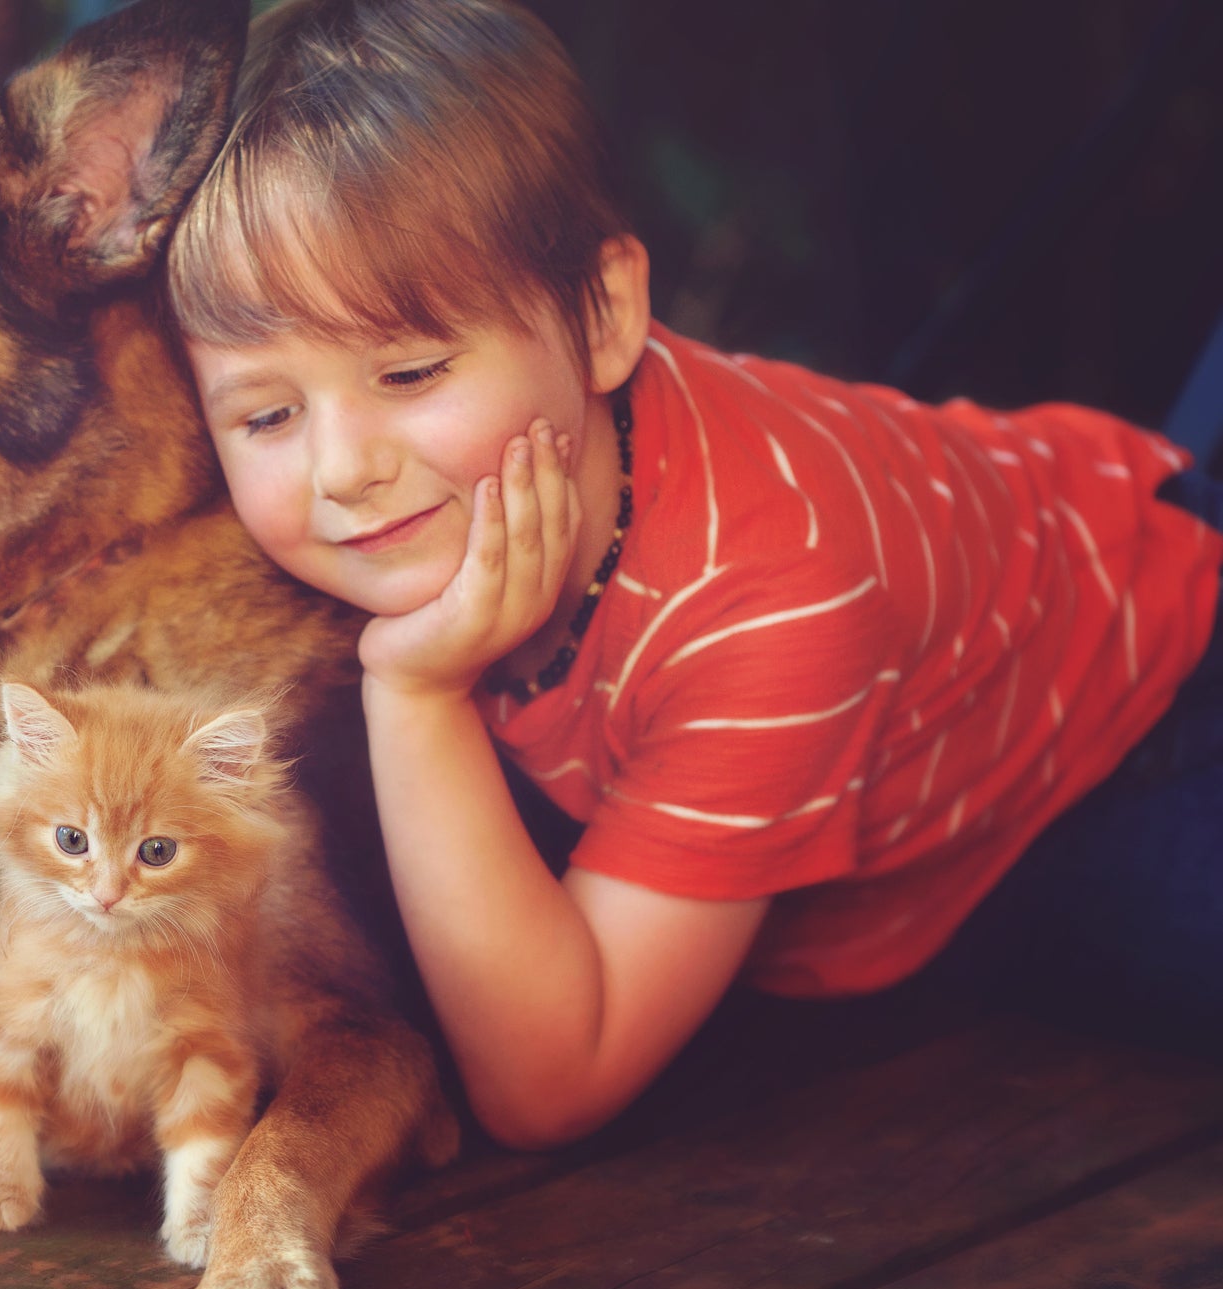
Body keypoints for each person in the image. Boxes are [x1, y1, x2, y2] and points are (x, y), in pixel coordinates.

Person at [165, 0, 1223, 1149]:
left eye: (411, 370)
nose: (344, 468)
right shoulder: (418, 495)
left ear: (605, 315)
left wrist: (414, 694)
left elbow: (548, 1082)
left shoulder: (770, 593)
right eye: (268, 413)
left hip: (1136, 717)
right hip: (885, 785)